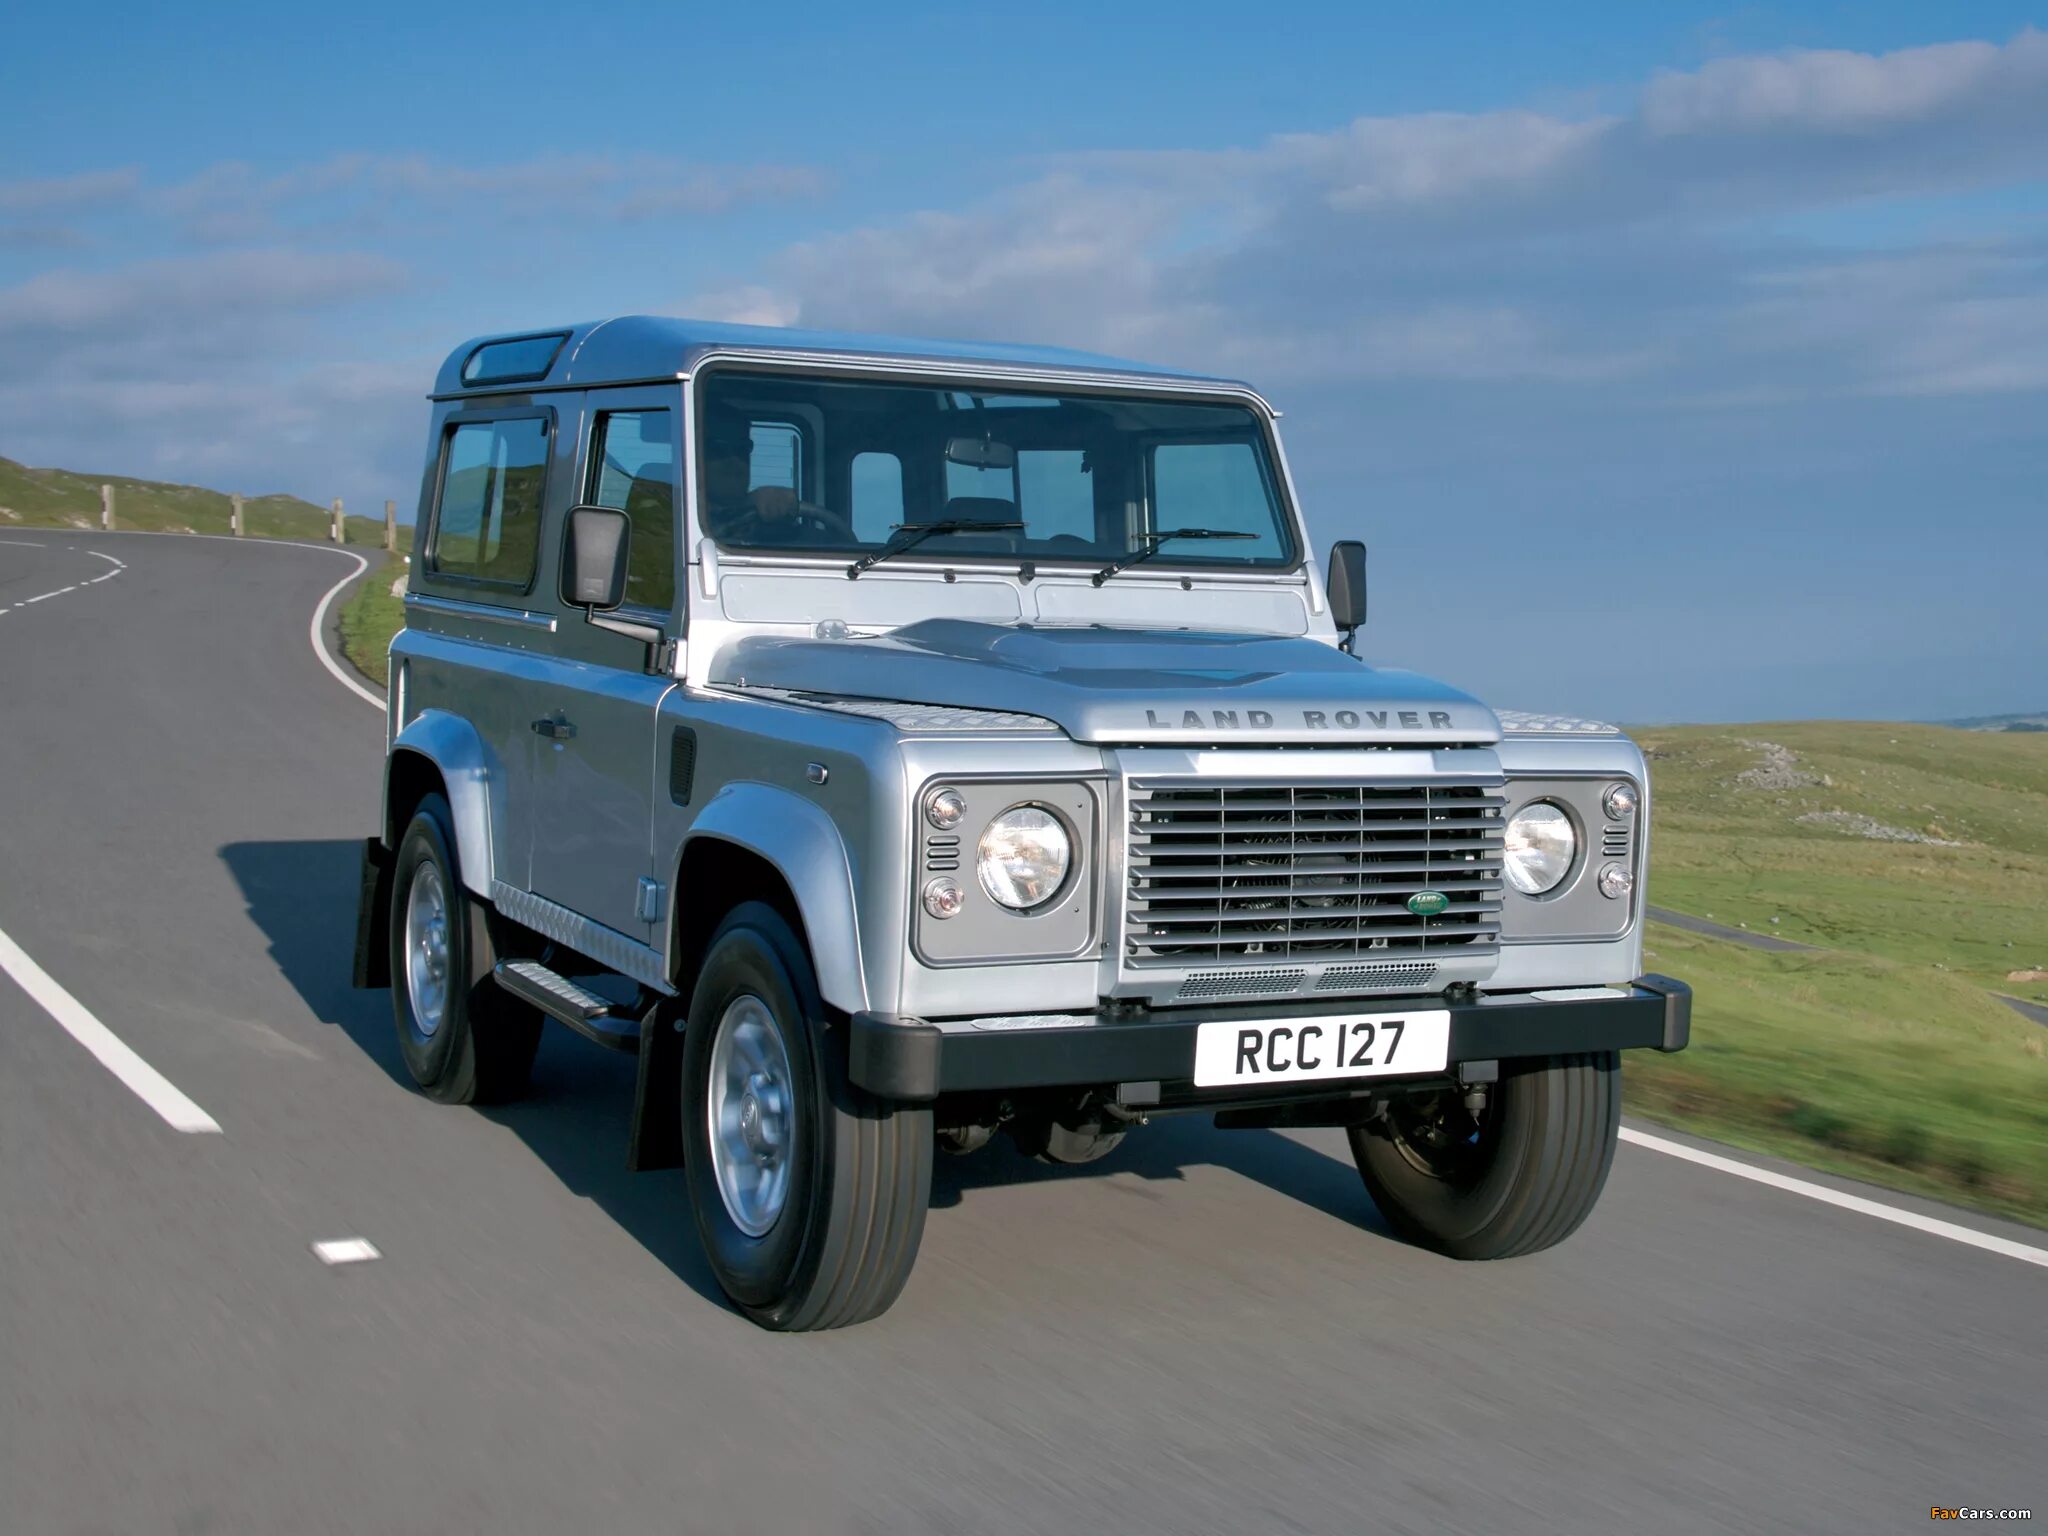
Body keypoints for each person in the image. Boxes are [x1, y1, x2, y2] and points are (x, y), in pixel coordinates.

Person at [700, 409, 853, 544]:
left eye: (742, 449)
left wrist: (783, 510)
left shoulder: (787, 536)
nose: (733, 460)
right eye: (718, 449)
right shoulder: (684, 522)